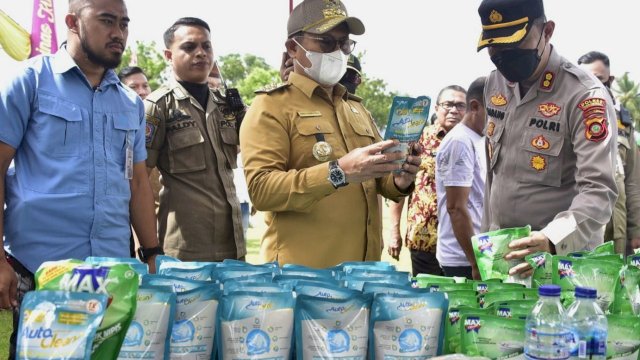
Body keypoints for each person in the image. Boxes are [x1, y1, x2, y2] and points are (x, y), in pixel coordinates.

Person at [0, 0, 160, 356]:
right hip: (40, 272)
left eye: (124, 23)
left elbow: (137, 184)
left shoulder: (129, 104)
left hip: (111, 274)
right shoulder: (30, 81)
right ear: (72, 21)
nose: (118, 32)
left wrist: (152, 254)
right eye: (106, 21)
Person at [240, 0, 421, 268]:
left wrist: (400, 179)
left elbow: (375, 179)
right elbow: (262, 190)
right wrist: (339, 172)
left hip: (362, 273)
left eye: (343, 43)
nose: (337, 51)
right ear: (293, 48)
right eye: (325, 42)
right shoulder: (271, 106)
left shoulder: (356, 108)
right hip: (304, 278)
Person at [477, 0, 618, 277]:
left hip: (562, 265)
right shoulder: (495, 84)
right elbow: (495, 176)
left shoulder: (583, 96)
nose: (504, 55)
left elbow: (599, 190)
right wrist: (483, 246)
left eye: (514, 43)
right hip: (502, 260)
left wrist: (552, 240)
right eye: (494, 46)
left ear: (547, 31)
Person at [145, 17, 246, 262]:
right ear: (169, 55)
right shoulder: (158, 107)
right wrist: (147, 249)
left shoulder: (228, 105)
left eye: (206, 46)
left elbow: (264, 132)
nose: (200, 53)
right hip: (184, 252)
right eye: (189, 47)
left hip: (234, 246)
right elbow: (139, 181)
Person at [388, 85, 467, 276]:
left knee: (461, 302)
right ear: (437, 108)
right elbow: (398, 186)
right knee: (426, 301)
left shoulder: (475, 141)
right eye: (448, 104)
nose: (454, 110)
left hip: (463, 243)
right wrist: (394, 232)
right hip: (425, 238)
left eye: (460, 105)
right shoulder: (417, 140)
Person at [577, 51, 640, 254]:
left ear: (610, 80)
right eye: (586, 79)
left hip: (617, 229)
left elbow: (632, 182)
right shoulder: (571, 119)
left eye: (599, 80)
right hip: (580, 228)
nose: (593, 86)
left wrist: (636, 230)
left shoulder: (624, 123)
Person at [435, 77, 487, 280]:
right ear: (475, 107)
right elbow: (456, 208)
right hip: (463, 257)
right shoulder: (460, 141)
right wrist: (475, 262)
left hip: (479, 252)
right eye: (496, 111)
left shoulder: (478, 138)